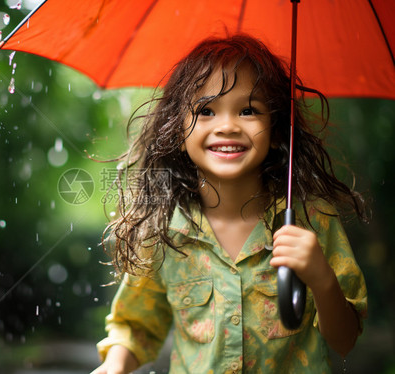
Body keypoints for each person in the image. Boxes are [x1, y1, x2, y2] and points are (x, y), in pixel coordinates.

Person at [91, 35, 368, 374]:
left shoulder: (313, 220)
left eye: (248, 110)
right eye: (206, 111)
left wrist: (323, 279)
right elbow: (136, 325)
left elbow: (345, 340)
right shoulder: (164, 232)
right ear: (177, 130)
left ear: (277, 130)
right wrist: (115, 365)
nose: (227, 126)